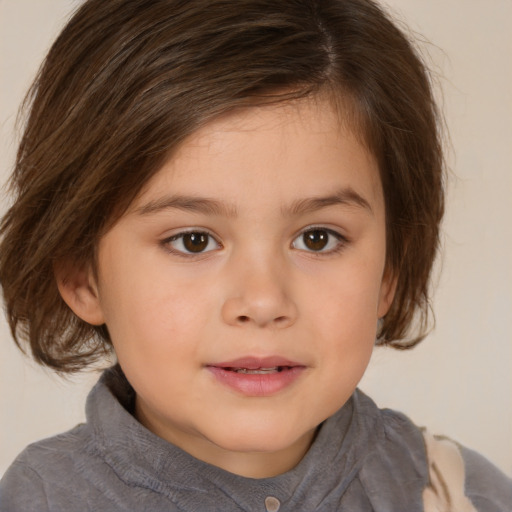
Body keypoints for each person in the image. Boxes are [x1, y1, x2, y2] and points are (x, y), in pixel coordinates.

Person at [0, 0, 510, 510]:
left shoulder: (457, 493)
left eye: (317, 238)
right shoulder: (36, 500)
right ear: (83, 276)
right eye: (193, 240)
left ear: (388, 271)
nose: (264, 301)